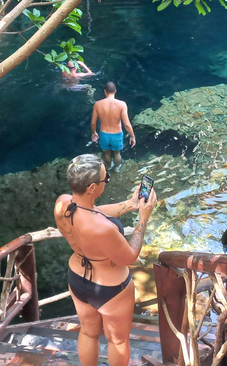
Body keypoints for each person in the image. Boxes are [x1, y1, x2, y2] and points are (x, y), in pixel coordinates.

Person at [54, 154, 158, 366]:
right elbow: (129, 256)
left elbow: (92, 212)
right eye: (105, 179)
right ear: (92, 187)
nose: (107, 181)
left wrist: (130, 204)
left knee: (89, 332)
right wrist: (143, 219)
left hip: (77, 278)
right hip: (111, 289)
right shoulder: (104, 230)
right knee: (118, 341)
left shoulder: (63, 203)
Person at [91, 82, 135, 172]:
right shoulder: (122, 104)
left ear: (105, 91)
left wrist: (93, 132)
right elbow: (126, 124)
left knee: (106, 153)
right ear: (115, 91)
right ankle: (117, 168)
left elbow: (93, 122)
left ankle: (109, 166)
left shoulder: (97, 104)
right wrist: (132, 136)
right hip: (117, 134)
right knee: (117, 153)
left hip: (104, 134)